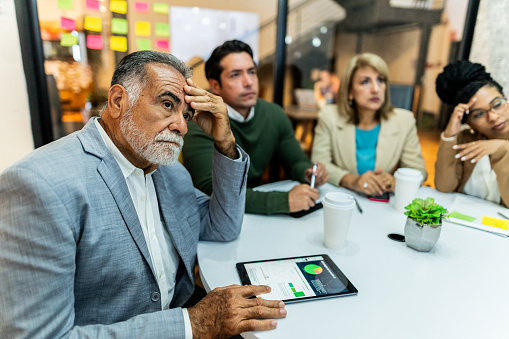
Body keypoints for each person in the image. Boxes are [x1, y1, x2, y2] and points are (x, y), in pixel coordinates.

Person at [0, 51, 287, 338]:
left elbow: (222, 227)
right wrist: (193, 324)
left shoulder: (171, 173)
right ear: (117, 101)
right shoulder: (38, 185)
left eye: (186, 114)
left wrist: (225, 142)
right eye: (167, 104)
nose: (182, 126)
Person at [182, 40, 329, 214]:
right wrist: (281, 201)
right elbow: (210, 189)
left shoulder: (273, 113)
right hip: (212, 216)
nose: (249, 82)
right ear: (215, 86)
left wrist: (308, 172)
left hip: (256, 215)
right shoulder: (200, 122)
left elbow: (296, 161)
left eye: (252, 72)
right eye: (235, 75)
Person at [311, 53, 427, 196]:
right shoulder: (329, 116)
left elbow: (419, 171)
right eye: (365, 82)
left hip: (382, 203)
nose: (375, 89)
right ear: (350, 92)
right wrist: (351, 180)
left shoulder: (404, 120)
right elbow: (319, 164)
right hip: (341, 198)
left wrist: (395, 181)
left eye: (380, 80)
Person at [434, 60, 509, 206]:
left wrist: (502, 149)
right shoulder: (467, 140)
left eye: (497, 104)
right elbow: (444, 187)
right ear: (467, 121)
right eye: (478, 114)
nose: (493, 117)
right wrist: (450, 135)